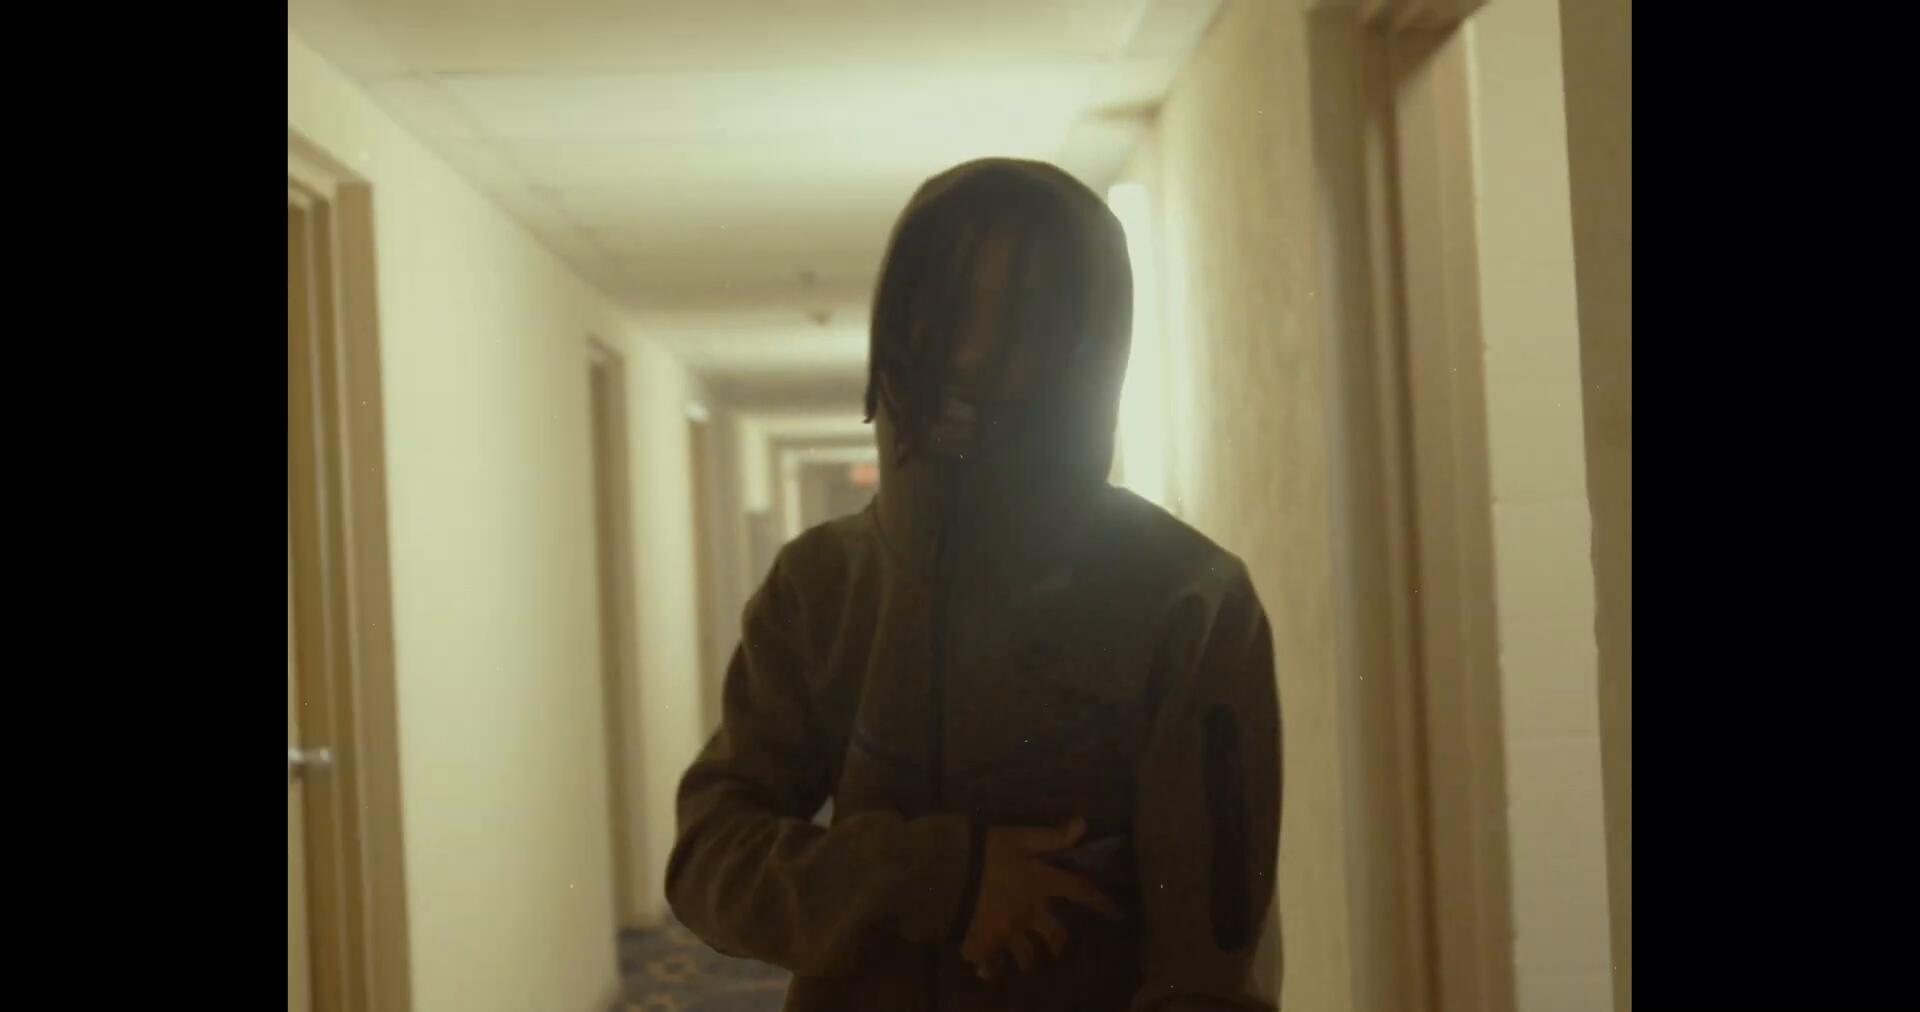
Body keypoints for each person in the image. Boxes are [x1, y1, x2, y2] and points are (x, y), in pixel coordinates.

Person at [665, 157, 1282, 1011]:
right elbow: (709, 863)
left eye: (1018, 318)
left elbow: (1210, 975)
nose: (968, 352)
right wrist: (936, 881)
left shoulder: (1187, 601)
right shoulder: (821, 587)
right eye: (944, 307)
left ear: (1081, 344)